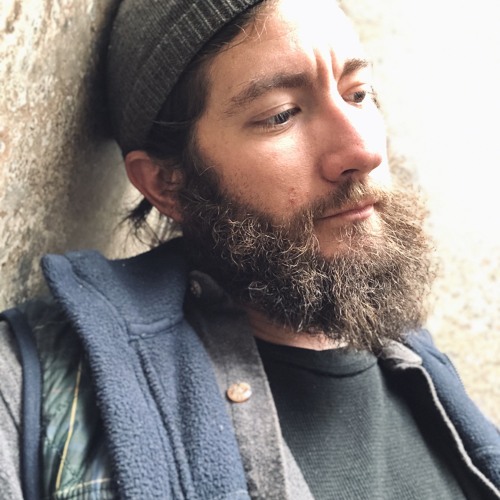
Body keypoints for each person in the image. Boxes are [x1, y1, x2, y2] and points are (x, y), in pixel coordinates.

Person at [1, 0, 499, 498]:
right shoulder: (36, 387)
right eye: (281, 115)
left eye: (359, 94)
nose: (364, 151)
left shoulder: (428, 379)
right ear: (167, 183)